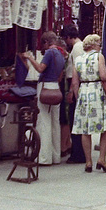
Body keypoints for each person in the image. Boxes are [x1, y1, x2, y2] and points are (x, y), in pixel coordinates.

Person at [70, 34, 106, 173]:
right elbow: (103, 76)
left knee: (85, 128)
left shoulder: (77, 59)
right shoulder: (98, 56)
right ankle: (102, 158)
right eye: (99, 43)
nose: (100, 46)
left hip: (84, 92)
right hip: (97, 91)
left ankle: (88, 161)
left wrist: (79, 98)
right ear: (94, 44)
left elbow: (74, 82)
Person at [20, 31, 65, 165]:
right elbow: (60, 75)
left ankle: (44, 158)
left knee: (44, 122)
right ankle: (56, 156)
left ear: (46, 42)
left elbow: (40, 68)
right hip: (56, 88)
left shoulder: (49, 53)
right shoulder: (61, 54)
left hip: (45, 87)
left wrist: (29, 57)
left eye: (43, 44)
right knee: (55, 122)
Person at [60, 24, 86, 164]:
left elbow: (77, 71)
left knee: (74, 120)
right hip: (76, 85)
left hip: (75, 85)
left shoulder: (77, 48)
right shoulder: (79, 47)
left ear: (69, 37)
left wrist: (72, 91)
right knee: (75, 120)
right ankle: (78, 151)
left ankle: (78, 153)